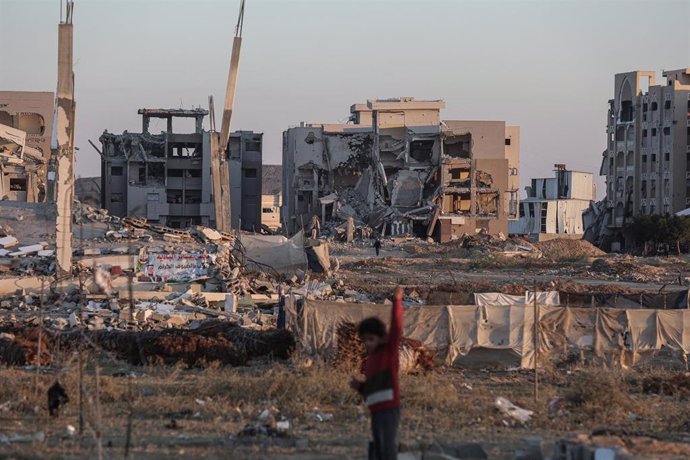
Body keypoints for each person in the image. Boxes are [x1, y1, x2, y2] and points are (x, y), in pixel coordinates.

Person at [351, 286, 403, 460]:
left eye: (371, 339)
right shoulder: (370, 361)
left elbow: (396, 327)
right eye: (364, 340)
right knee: (379, 448)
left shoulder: (388, 353)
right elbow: (372, 387)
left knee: (387, 449)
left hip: (389, 410)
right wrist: (360, 387)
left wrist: (397, 301)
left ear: (381, 338)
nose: (367, 344)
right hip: (376, 411)